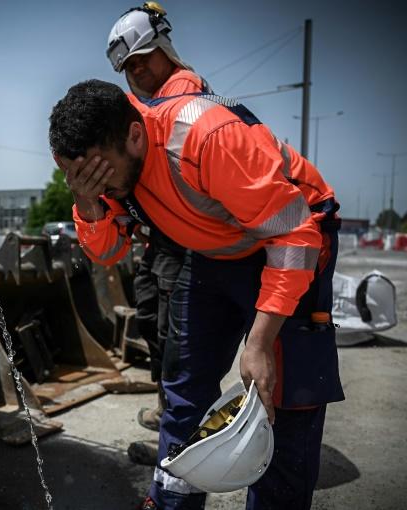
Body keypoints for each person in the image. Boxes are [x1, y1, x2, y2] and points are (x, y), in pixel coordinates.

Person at [49, 80, 344, 509]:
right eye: (77, 176)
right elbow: (107, 251)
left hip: (293, 238)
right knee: (184, 388)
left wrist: (260, 343)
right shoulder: (103, 170)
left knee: (282, 396)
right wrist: (86, 199)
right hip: (214, 250)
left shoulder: (205, 137)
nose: (95, 183)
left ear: (135, 135)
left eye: (98, 174)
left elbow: (293, 236)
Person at [105, 2, 211, 451]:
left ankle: (182, 436)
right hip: (160, 240)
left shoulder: (183, 101)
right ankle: (170, 411)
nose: (137, 70)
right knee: (150, 316)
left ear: (165, 47)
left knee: (175, 336)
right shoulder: (148, 107)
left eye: (142, 58)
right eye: (128, 66)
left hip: (188, 241)